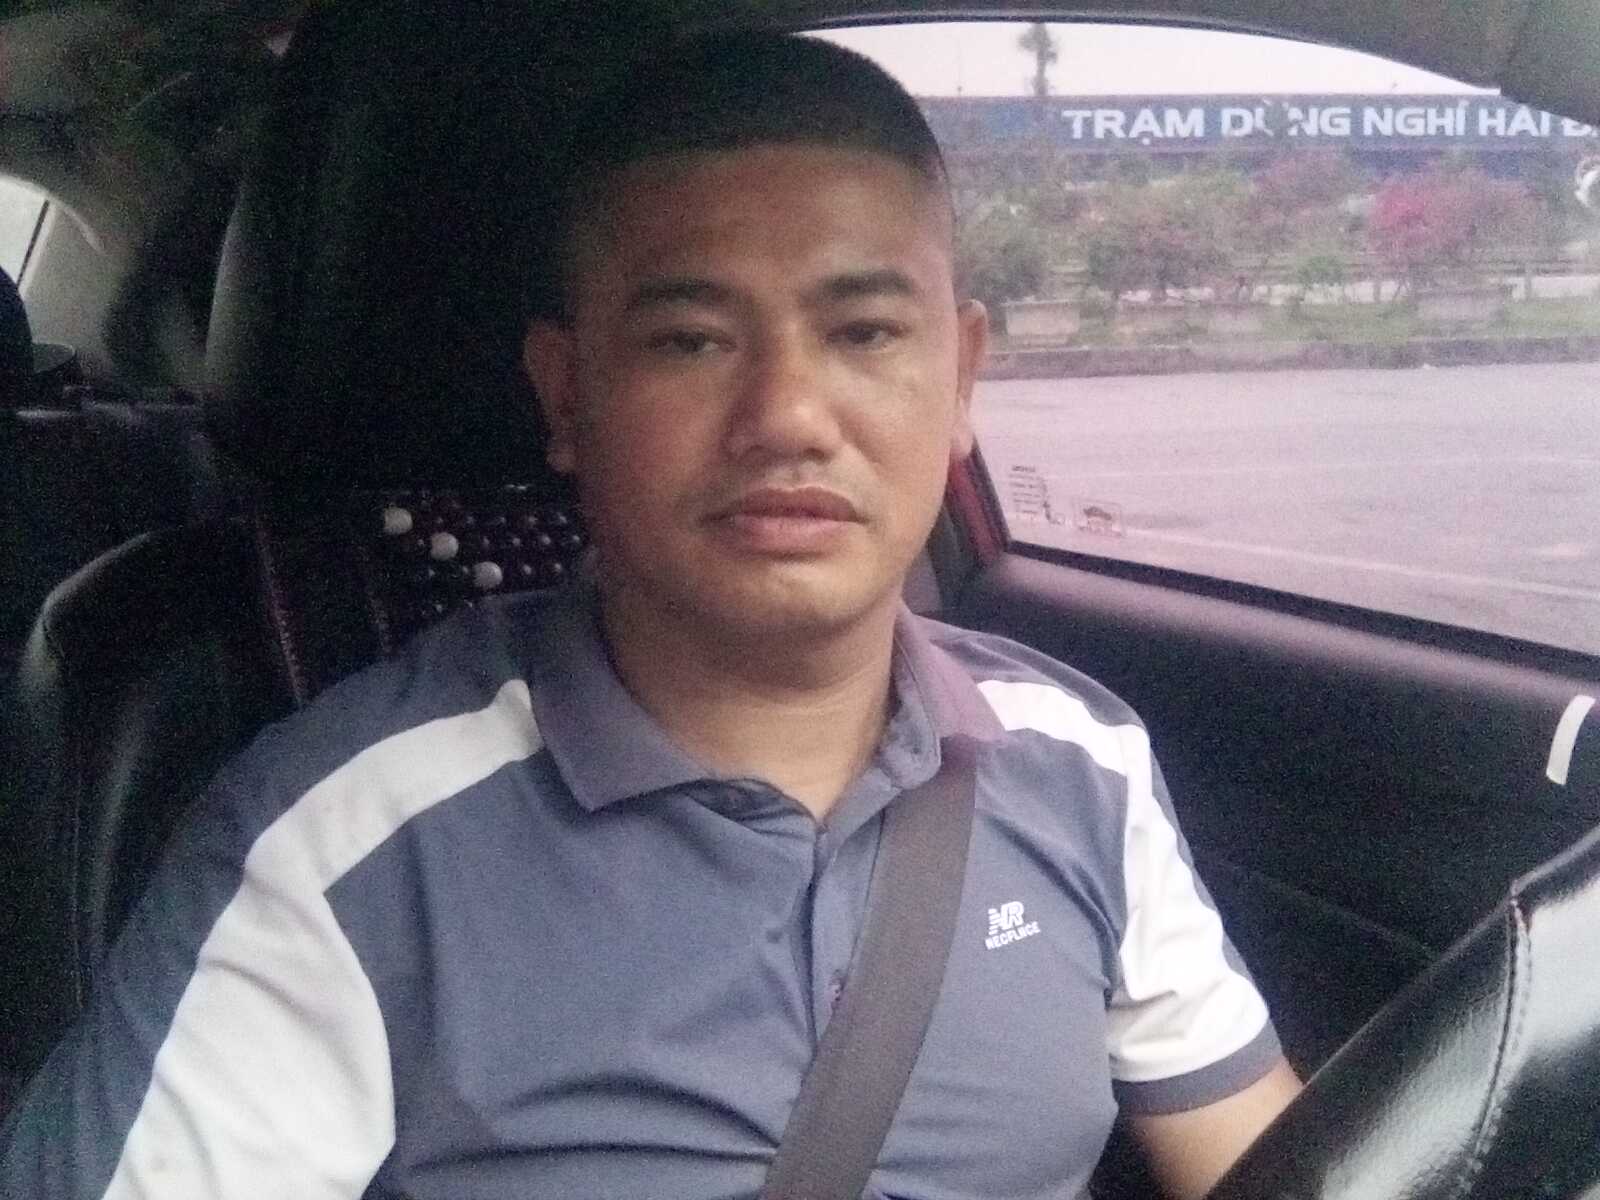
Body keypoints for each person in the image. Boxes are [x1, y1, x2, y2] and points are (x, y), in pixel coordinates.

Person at [0, 30, 1300, 1200]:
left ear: (960, 380)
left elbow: (1285, 1165)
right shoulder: (343, 850)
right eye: (690, 340)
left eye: (862, 332)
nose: (788, 416)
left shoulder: (1083, 767)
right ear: (566, 396)